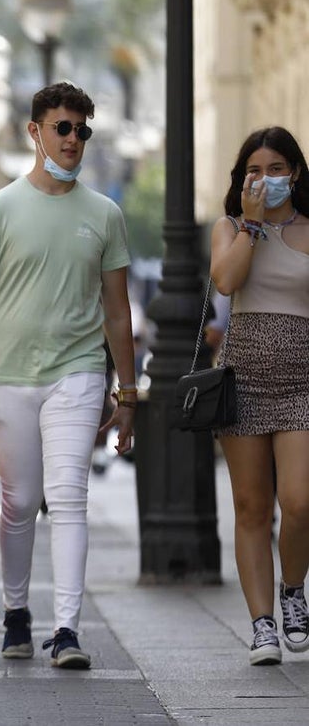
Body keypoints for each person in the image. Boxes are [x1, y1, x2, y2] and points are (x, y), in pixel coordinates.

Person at [0, 82, 135, 671]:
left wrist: (127, 393)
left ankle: (67, 630)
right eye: (63, 127)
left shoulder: (104, 215)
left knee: (69, 497)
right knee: (20, 501)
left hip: (77, 374)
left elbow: (117, 311)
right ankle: (16, 611)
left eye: (83, 130)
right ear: (35, 131)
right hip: (6, 378)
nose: (74, 138)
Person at [209, 126, 309, 666]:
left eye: (275, 169)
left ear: (295, 173)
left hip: (304, 379)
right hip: (243, 375)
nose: (265, 179)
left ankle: (294, 590)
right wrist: (251, 223)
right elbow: (225, 283)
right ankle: (262, 624)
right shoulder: (230, 227)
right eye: (254, 170)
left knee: (299, 501)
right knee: (250, 507)